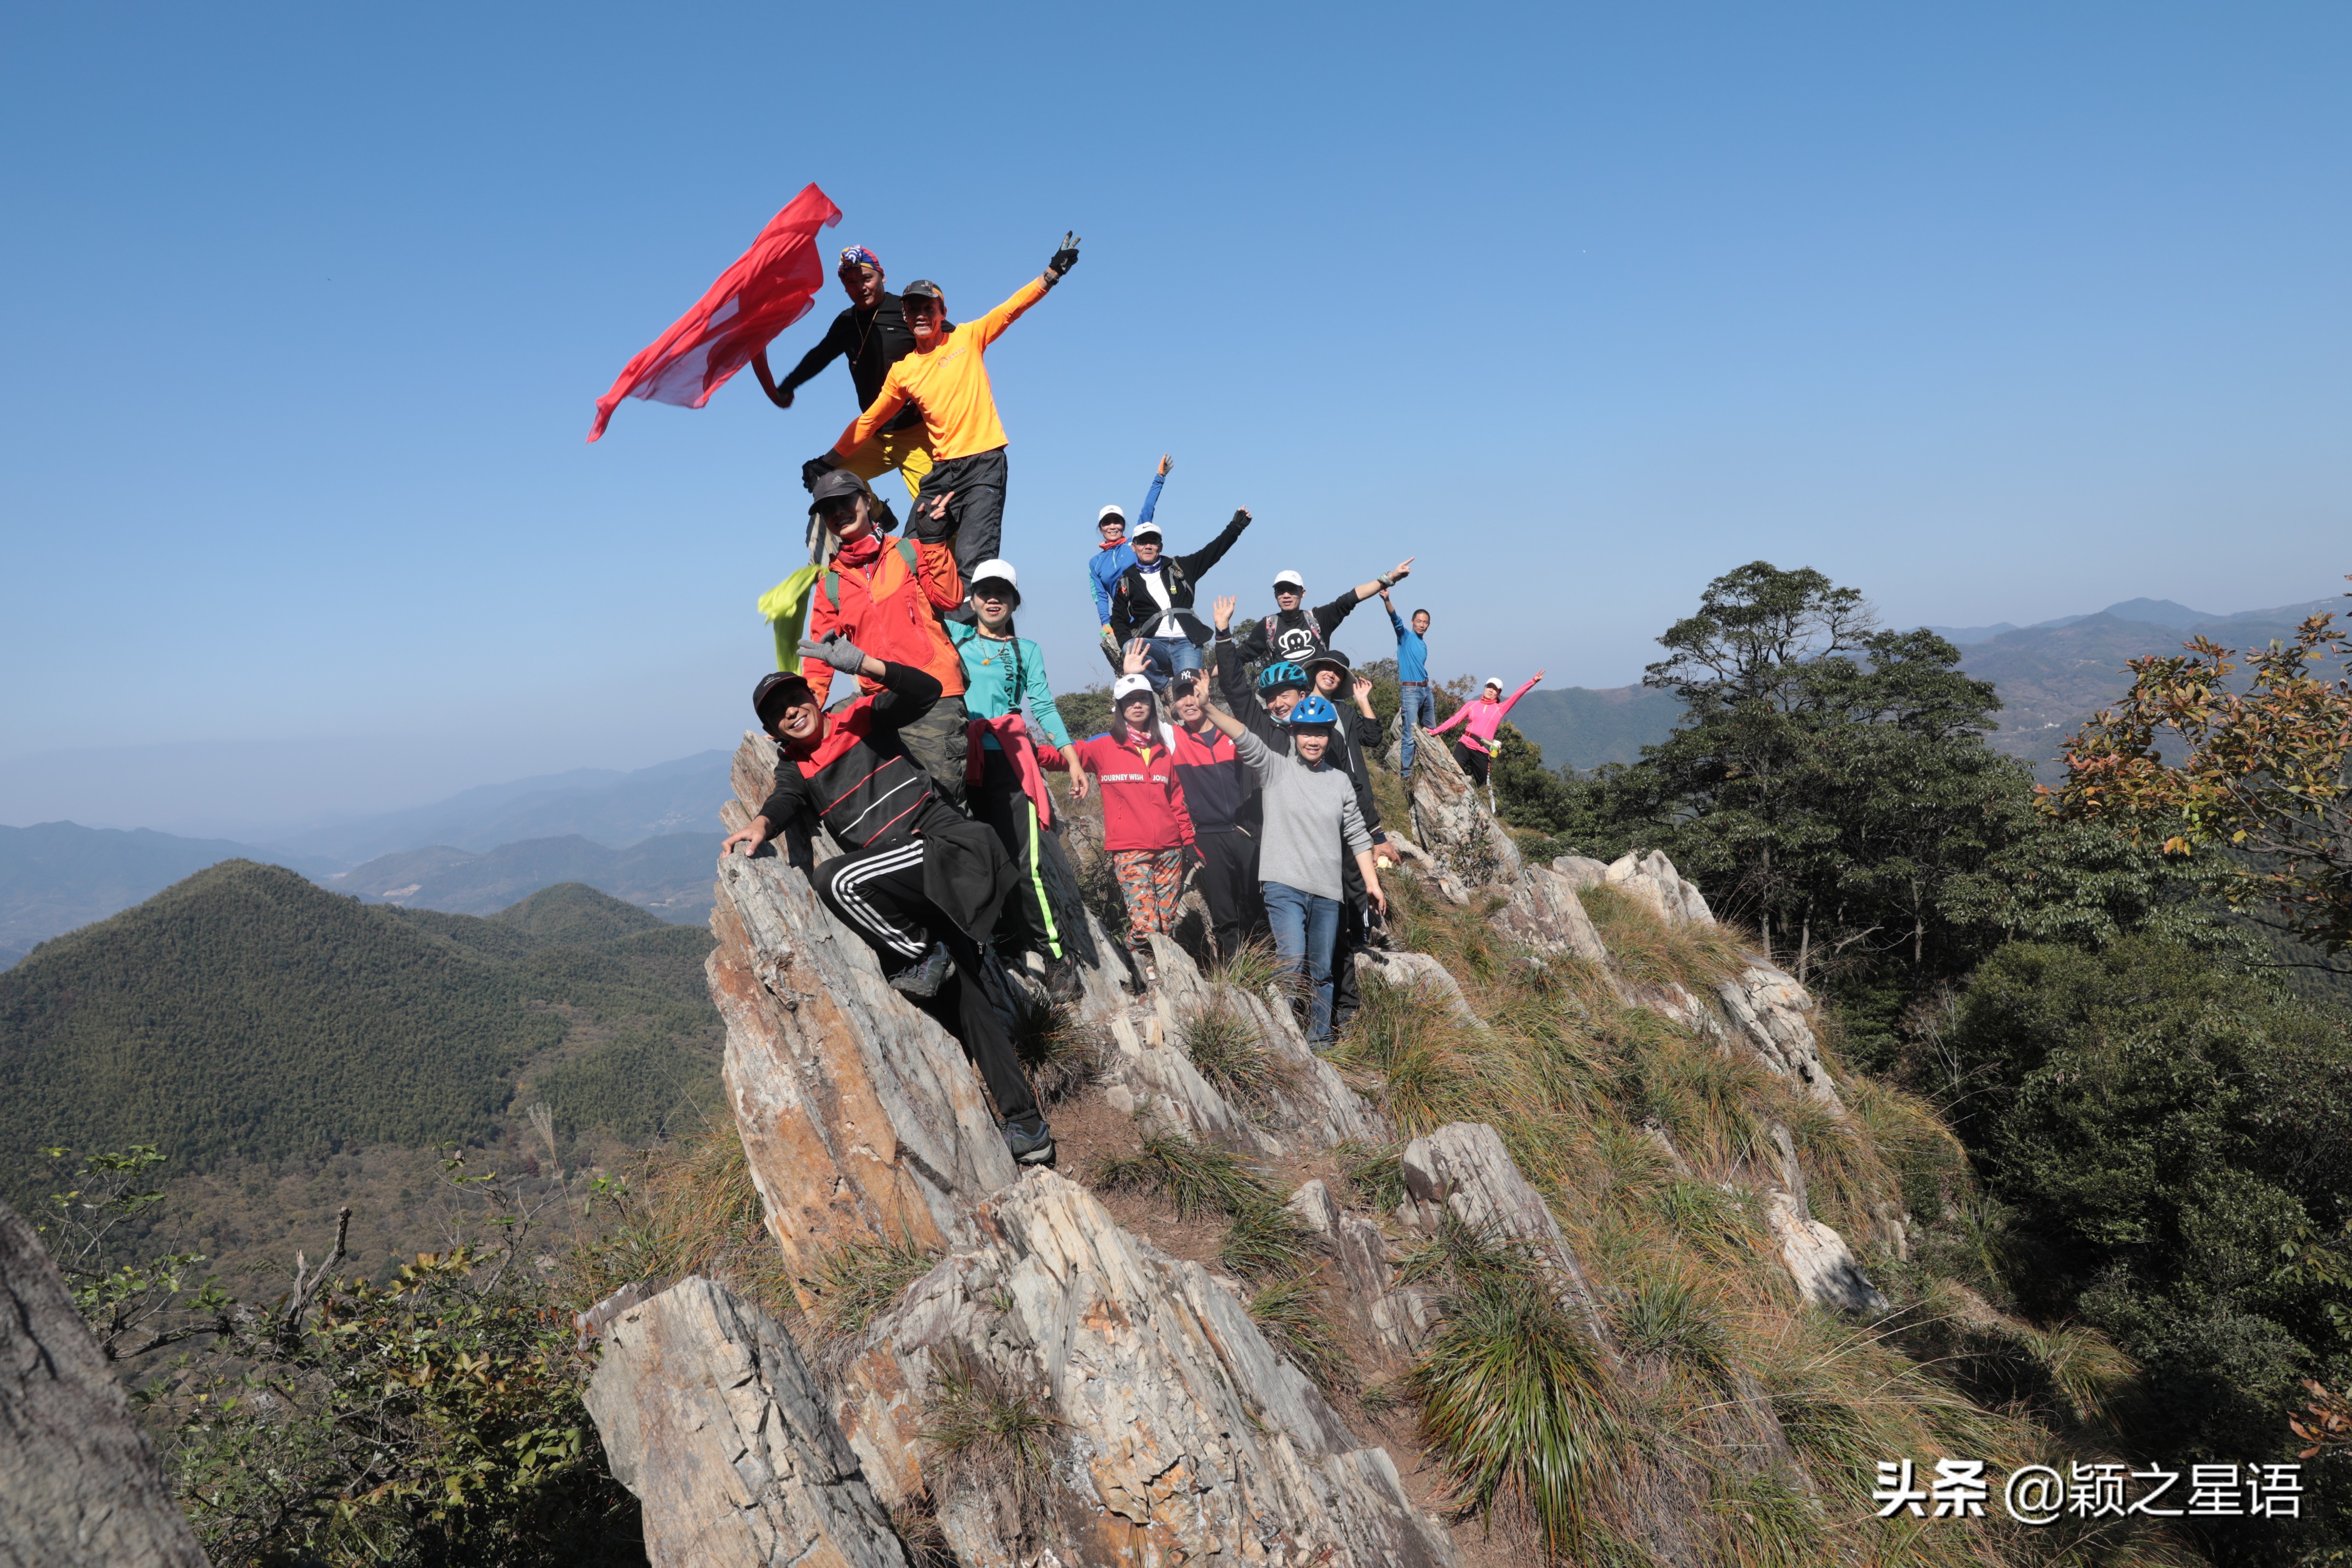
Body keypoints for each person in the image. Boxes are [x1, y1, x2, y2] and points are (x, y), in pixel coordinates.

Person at [721, 647, 1054, 1165]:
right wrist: (760, 827)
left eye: (796, 697)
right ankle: (1028, 1128)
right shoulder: (797, 770)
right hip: (914, 886)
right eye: (778, 711)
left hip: (943, 846)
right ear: (773, 732)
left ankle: (919, 955)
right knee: (971, 1006)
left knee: (840, 878)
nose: (791, 710)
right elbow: (783, 803)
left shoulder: (858, 717)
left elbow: (924, 691)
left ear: (814, 697)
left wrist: (861, 664)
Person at [809, 234, 1081, 589]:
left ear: (942, 313)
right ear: (905, 316)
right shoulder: (904, 370)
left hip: (984, 464)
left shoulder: (967, 338)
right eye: (913, 310)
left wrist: (1051, 274)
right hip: (942, 472)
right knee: (909, 554)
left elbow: (1012, 309)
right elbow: (869, 421)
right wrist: (829, 460)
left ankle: (969, 632)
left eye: (928, 308)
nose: (921, 315)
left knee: (973, 559)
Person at [1192, 691, 1385, 1045]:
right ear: (1294, 734)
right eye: (1306, 732)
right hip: (1284, 885)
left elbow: (1357, 833)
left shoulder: (1339, 782)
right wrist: (1207, 708)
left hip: (1328, 891)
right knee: (1292, 963)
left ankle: (1320, 1043)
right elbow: (1243, 735)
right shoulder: (1275, 769)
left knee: (1323, 972)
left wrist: (1372, 883)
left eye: (1321, 732)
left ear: (1330, 736)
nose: (1313, 740)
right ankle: (1283, 1041)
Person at [944, 560, 1091, 982]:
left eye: (1002, 593)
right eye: (985, 592)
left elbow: (1043, 705)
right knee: (981, 861)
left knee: (1026, 864)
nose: (993, 599)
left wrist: (1073, 759)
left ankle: (1057, 958)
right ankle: (1005, 945)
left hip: (1010, 761)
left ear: (1013, 602)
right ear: (971, 600)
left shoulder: (1026, 650)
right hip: (962, 760)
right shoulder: (954, 636)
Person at [798, 469, 972, 810]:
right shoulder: (829, 584)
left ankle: (974, 862)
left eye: (846, 501)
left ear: (867, 502)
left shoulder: (910, 551)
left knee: (948, 806)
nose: (838, 512)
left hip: (935, 696)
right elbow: (820, 661)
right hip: (883, 707)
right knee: (910, 813)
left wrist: (935, 541)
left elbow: (951, 599)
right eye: (827, 508)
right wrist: (803, 715)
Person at [752, 246, 936, 521]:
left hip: (915, 434)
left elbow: (954, 342)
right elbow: (819, 356)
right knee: (825, 478)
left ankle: (960, 563)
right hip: (873, 432)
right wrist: (787, 386)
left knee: (934, 513)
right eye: (851, 282)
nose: (861, 287)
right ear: (844, 287)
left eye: (867, 279)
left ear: (882, 277)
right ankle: (876, 509)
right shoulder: (846, 322)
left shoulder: (906, 312)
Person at [1064, 674, 1195, 986]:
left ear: (1152, 704)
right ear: (1119, 707)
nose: (1138, 705)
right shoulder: (1103, 746)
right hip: (1130, 849)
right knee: (1147, 924)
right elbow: (1063, 756)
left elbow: (1177, 801)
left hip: (1169, 850)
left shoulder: (1163, 749)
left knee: (1166, 924)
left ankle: (1157, 978)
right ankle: (1127, 956)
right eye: (1130, 701)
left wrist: (1188, 841)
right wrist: (1027, 748)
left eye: (1144, 699)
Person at [1165, 666, 1261, 963]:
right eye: (1182, 696)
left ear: (1207, 694)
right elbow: (1131, 728)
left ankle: (1269, 962)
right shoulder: (1172, 738)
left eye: (1196, 692)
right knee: (1223, 909)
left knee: (1259, 902)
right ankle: (1236, 970)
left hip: (1247, 831)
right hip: (1207, 836)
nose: (1190, 701)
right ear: (1174, 706)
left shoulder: (1232, 730)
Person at [1108, 506, 1252, 689]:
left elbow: (1213, 552)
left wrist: (1236, 527)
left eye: (1153, 542)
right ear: (1134, 547)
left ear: (1160, 546)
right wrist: (1124, 646)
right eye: (1142, 542)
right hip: (1154, 643)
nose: (1148, 546)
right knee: (1131, 648)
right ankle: (1165, 689)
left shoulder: (1180, 568)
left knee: (1189, 691)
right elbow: (1118, 618)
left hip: (1187, 642)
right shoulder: (1126, 581)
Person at [1233, 558, 1416, 669]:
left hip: (1319, 702)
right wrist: (1206, 674)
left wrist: (1390, 578)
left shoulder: (1318, 619)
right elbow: (1240, 656)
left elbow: (1351, 598)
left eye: (1292, 590)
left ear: (1302, 593)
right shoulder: (1268, 626)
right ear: (1275, 595)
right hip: (1284, 704)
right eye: (1281, 591)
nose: (1287, 595)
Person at [1089, 455, 1171, 667]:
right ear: (1101, 528)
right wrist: (1106, 623)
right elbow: (1100, 596)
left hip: (1151, 614)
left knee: (1163, 663)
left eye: (1117, 521)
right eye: (1107, 523)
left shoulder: (1133, 545)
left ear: (1124, 525)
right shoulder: (1095, 563)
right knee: (1134, 668)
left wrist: (1159, 478)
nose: (1112, 526)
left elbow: (1147, 511)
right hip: (1124, 623)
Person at [1429, 671, 1546, 789]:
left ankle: (1478, 797)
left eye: (1495, 689)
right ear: (1485, 688)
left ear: (1499, 693)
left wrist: (1533, 681)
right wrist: (1435, 731)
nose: (1491, 690)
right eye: (1489, 687)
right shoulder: (1472, 705)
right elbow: (1455, 720)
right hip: (1464, 744)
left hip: (1482, 750)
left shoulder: (1500, 709)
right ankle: (1466, 780)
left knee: (1483, 787)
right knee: (1451, 770)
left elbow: (1517, 695)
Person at [1384, 590, 1435, 772]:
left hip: (1426, 691)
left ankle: (1429, 767)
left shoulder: (1423, 644)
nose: (1422, 625)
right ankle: (1407, 775)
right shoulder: (1405, 637)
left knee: (1430, 731)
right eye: (1419, 621)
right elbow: (1395, 619)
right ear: (1413, 622)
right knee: (1410, 735)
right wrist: (1387, 599)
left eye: (1425, 622)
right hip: (1411, 691)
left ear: (1429, 625)